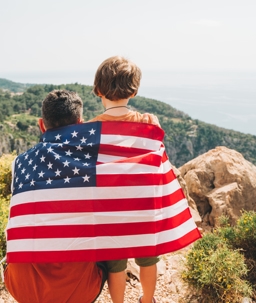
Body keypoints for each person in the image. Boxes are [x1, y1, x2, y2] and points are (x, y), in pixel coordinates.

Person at [3, 89, 108, 303]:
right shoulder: (94, 159)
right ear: (80, 123)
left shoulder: (19, 163)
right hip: (78, 291)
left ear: (42, 124)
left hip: (22, 288)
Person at [90, 56, 160, 303]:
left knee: (115, 264)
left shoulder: (90, 129)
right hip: (142, 205)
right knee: (148, 259)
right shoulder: (148, 122)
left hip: (110, 209)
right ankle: (147, 299)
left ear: (98, 90)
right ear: (135, 90)